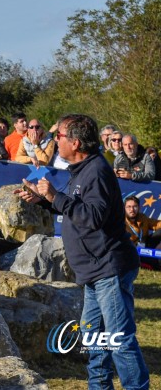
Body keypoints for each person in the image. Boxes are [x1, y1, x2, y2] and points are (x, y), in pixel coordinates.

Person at [18, 114, 149, 389]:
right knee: (94, 340)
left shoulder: (97, 171)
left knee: (118, 339)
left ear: (75, 142)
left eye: (59, 136)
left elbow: (93, 216)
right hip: (93, 271)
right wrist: (43, 201)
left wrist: (55, 196)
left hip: (108, 268)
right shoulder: (81, 169)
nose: (55, 140)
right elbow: (75, 209)